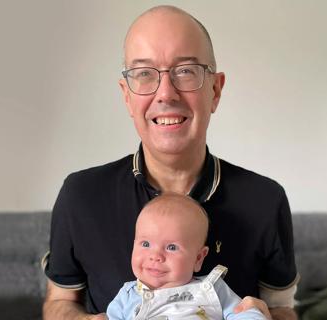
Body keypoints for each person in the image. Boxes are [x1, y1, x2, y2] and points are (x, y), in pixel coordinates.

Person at [42, 5, 299, 320]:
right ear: (127, 95)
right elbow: (60, 301)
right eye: (145, 74)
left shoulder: (266, 200)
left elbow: (283, 308)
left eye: (186, 70)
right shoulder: (80, 194)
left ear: (215, 90)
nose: (166, 93)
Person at [106, 193, 267, 320]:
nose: (155, 256)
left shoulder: (212, 288)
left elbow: (243, 312)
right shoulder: (127, 295)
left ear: (198, 258)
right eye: (146, 244)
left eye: (171, 247)